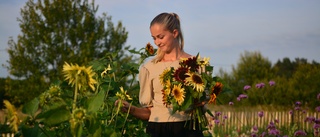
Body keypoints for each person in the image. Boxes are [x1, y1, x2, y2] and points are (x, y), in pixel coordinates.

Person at [117, 12, 204, 137]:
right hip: (158, 129)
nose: (157, 42)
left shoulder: (195, 64)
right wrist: (131, 109)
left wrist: (199, 101)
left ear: (174, 33)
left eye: (160, 37)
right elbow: (149, 112)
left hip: (189, 128)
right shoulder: (149, 68)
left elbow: (203, 100)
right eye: (154, 38)